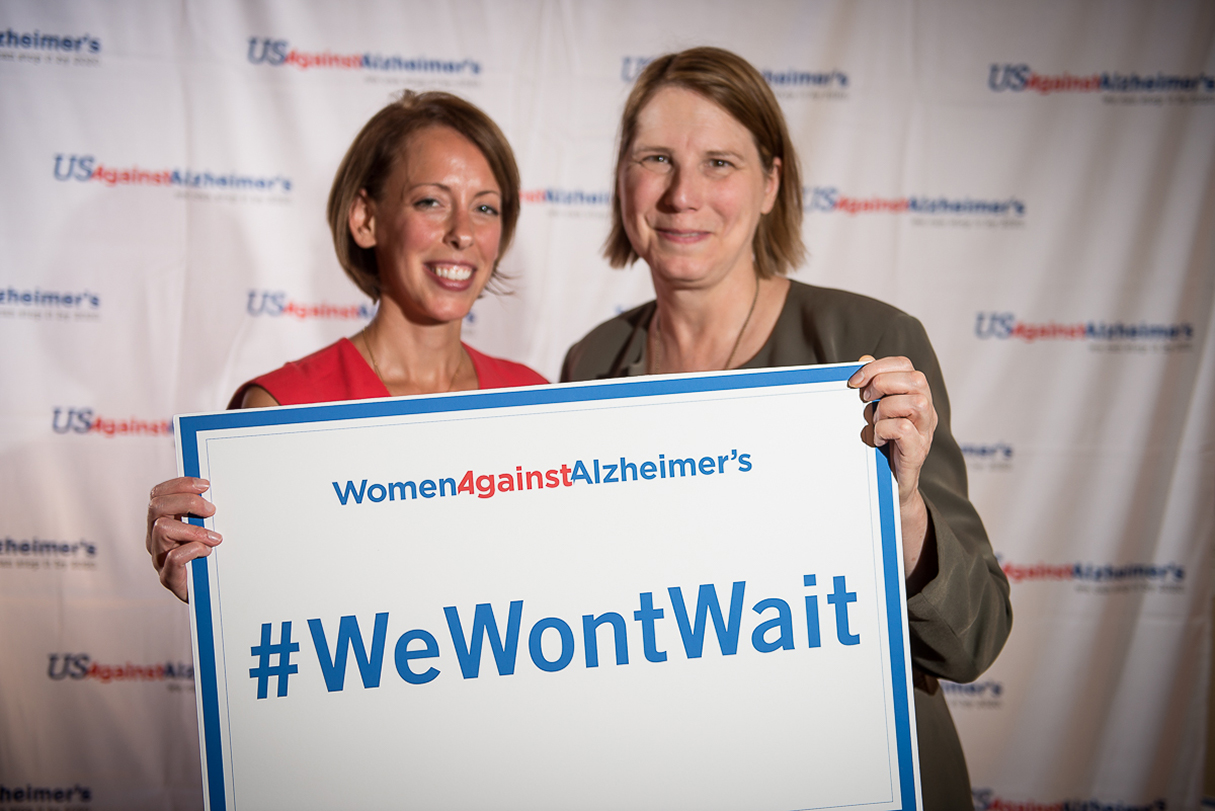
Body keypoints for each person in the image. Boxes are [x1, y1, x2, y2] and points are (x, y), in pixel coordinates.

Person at [561, 46, 1011, 808]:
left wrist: (903, 509)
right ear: (621, 179)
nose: (682, 194)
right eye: (657, 159)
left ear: (770, 183)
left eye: (719, 163)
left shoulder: (868, 342)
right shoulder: (591, 362)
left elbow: (974, 639)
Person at [147, 91, 546, 603]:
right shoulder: (283, 408)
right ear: (365, 219)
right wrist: (217, 593)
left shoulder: (533, 399)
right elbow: (266, 607)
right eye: (431, 201)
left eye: (485, 208)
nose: (463, 233)